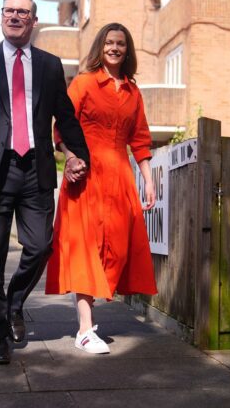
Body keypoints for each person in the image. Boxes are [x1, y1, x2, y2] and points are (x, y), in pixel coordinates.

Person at [0, 0, 89, 365]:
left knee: (41, 245)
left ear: (34, 20)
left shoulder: (49, 65)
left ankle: (14, 301)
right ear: (2, 17)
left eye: (23, 12)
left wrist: (79, 155)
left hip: (36, 169)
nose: (15, 17)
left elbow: (65, 115)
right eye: (9, 11)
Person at [45, 22, 158, 354]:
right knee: (86, 247)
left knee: (116, 249)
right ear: (100, 46)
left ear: (127, 50)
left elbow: (140, 140)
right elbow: (61, 127)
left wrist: (149, 180)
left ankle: (89, 315)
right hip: (86, 176)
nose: (114, 48)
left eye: (120, 43)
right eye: (109, 42)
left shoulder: (134, 92)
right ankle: (84, 328)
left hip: (120, 177)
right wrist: (70, 158)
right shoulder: (84, 82)